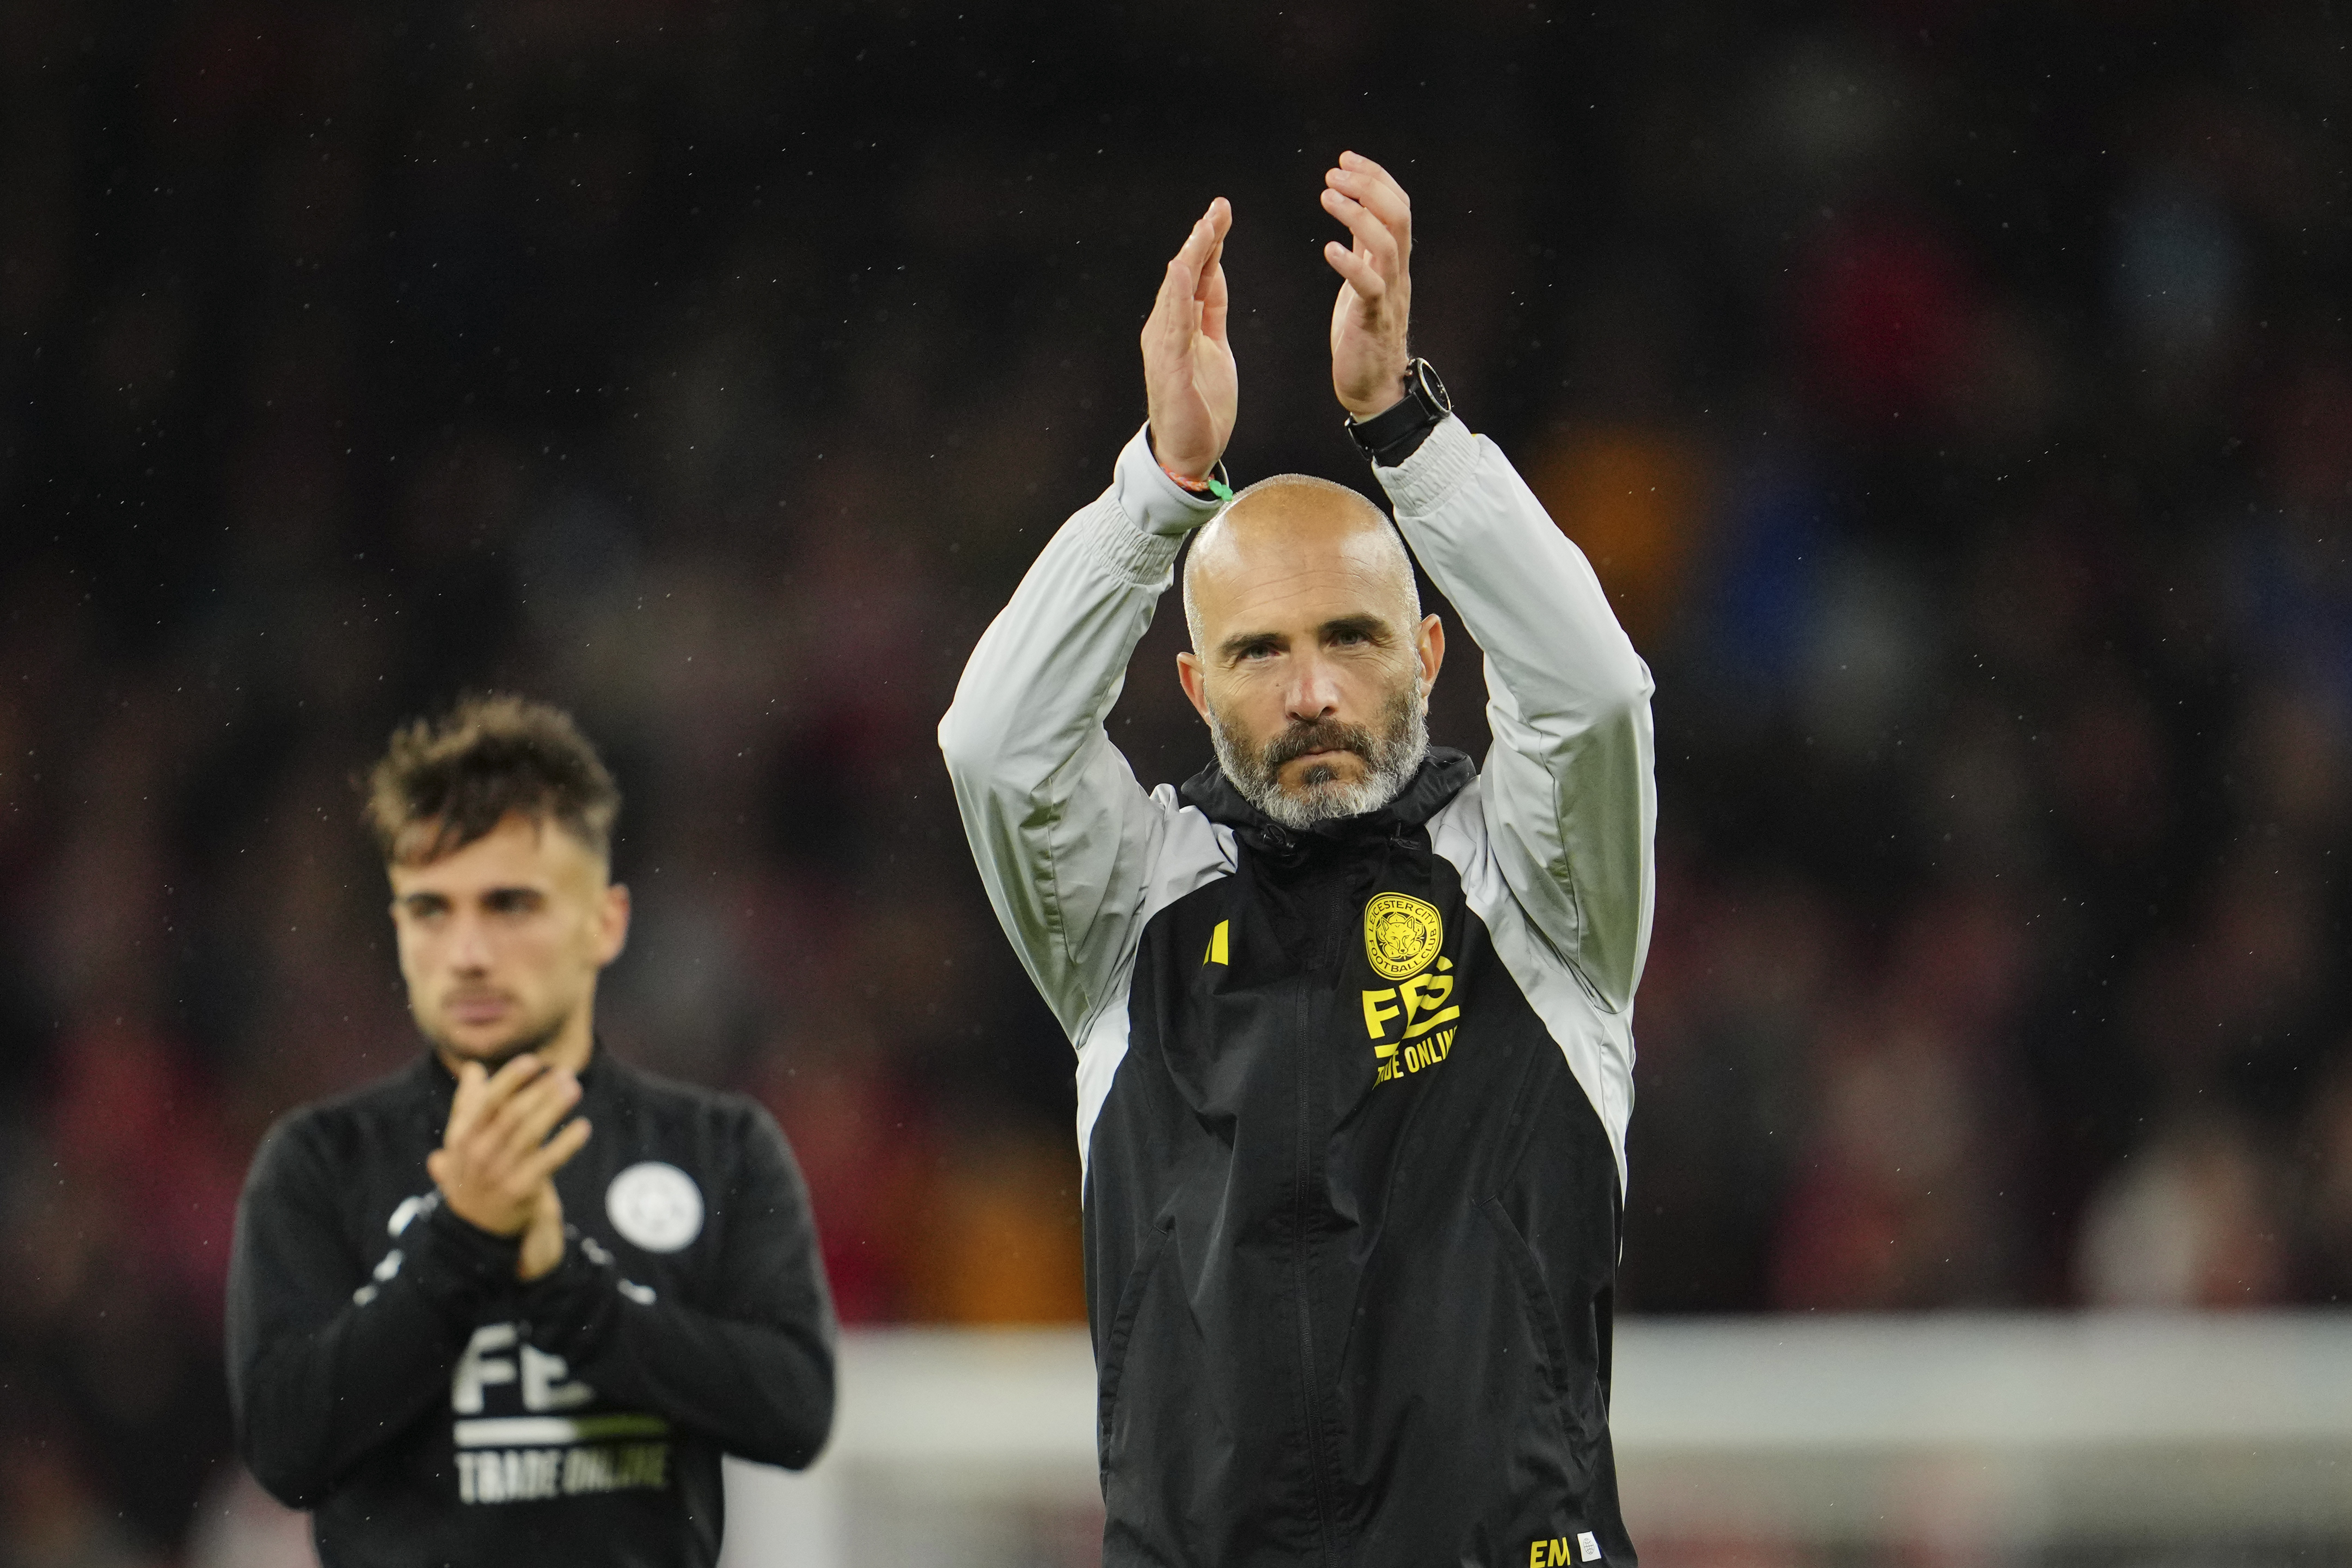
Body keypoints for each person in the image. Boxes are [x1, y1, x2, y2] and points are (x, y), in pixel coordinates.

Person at [940, 153, 1656, 1566]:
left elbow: (1596, 695)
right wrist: (1163, 486)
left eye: (1353, 639)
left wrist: (1406, 432)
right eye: (1262, 653)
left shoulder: (1536, 889)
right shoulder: (1134, 909)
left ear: (1433, 657)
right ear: (1200, 693)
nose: (1313, 691)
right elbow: (998, 748)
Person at [225, 695, 836, 1567]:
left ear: (605, 922)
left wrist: (565, 1290)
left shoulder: (717, 1148)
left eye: (509, 904)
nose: (468, 951)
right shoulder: (321, 1161)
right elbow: (286, 1448)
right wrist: (463, 1240)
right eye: (432, 909)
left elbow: (793, 1411)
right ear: (398, 930)